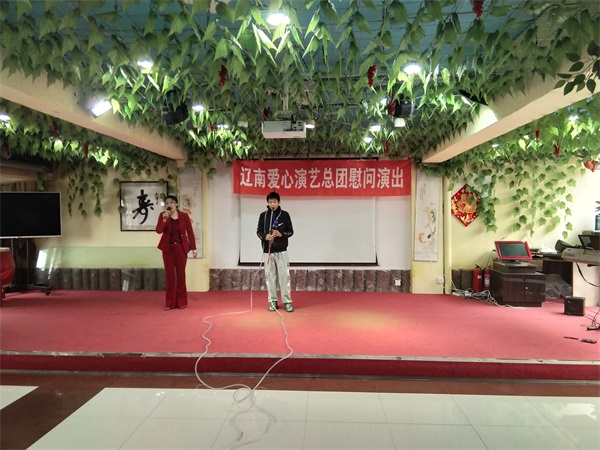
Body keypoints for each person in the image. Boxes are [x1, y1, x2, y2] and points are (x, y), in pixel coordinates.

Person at [156, 195, 197, 310]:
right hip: (168, 249)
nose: (169, 205)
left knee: (180, 275)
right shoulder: (163, 215)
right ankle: (170, 303)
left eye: (171, 202)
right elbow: (159, 230)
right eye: (167, 203)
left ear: (176, 204)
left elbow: (190, 232)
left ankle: (181, 302)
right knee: (170, 276)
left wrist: (193, 248)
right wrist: (165, 219)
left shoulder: (184, 216)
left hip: (180, 249)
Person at [256, 191, 294, 312]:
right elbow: (258, 231)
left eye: (274, 202)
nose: (272, 204)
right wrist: (265, 236)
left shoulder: (285, 215)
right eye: (270, 202)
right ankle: (273, 301)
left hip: (281, 251)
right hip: (268, 251)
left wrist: (281, 234)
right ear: (267, 203)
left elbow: (291, 231)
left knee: (284, 277)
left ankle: (287, 301)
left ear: (279, 202)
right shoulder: (263, 216)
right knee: (270, 277)